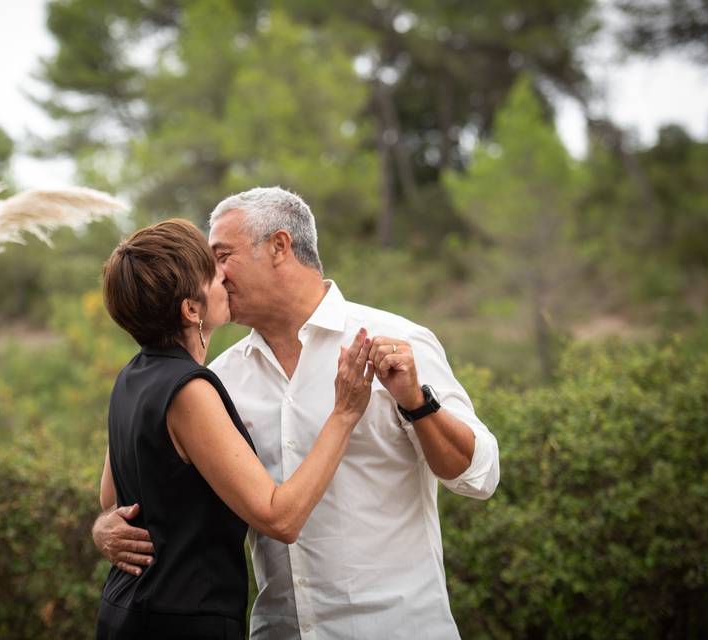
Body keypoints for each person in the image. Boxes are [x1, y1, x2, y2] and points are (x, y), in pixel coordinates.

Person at [94, 189, 500, 639]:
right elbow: (131, 489)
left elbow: (479, 477)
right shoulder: (216, 380)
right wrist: (105, 529)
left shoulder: (398, 341)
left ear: (279, 247)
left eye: (223, 256)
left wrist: (417, 404)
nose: (216, 275)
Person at [94, 218, 375, 639]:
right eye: (211, 273)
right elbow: (280, 519)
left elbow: (110, 498)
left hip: (126, 606)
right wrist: (344, 414)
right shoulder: (189, 392)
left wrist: (105, 527)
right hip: (182, 617)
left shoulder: (132, 376)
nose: (223, 276)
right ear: (191, 310)